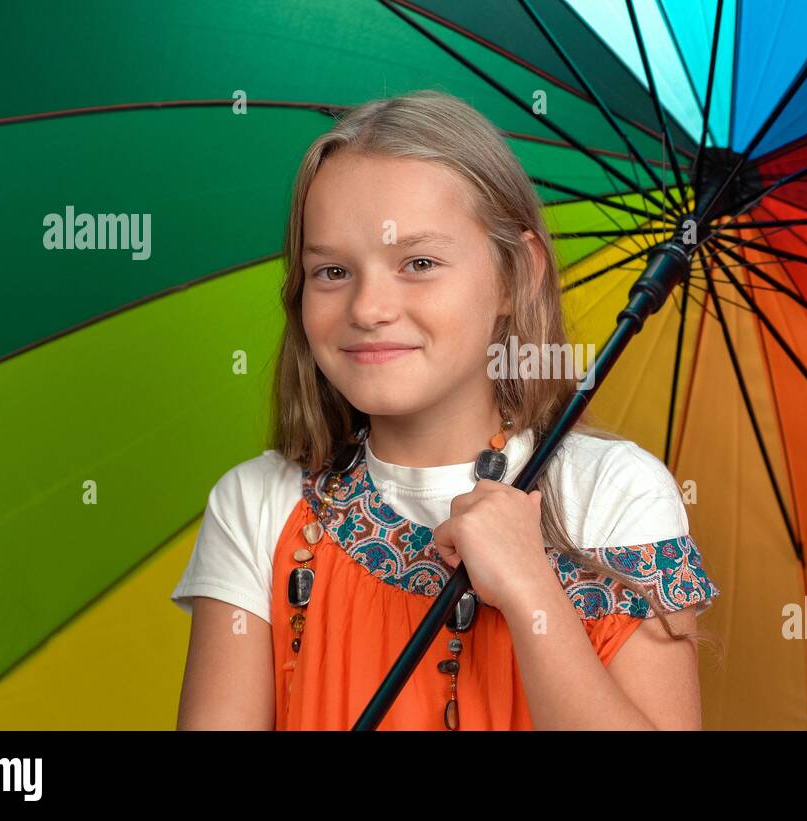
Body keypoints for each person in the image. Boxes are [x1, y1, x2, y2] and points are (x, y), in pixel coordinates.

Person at [170, 89, 721, 730]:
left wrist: (530, 587)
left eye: (420, 263)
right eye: (332, 272)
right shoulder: (258, 506)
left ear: (516, 277)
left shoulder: (613, 495)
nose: (369, 308)